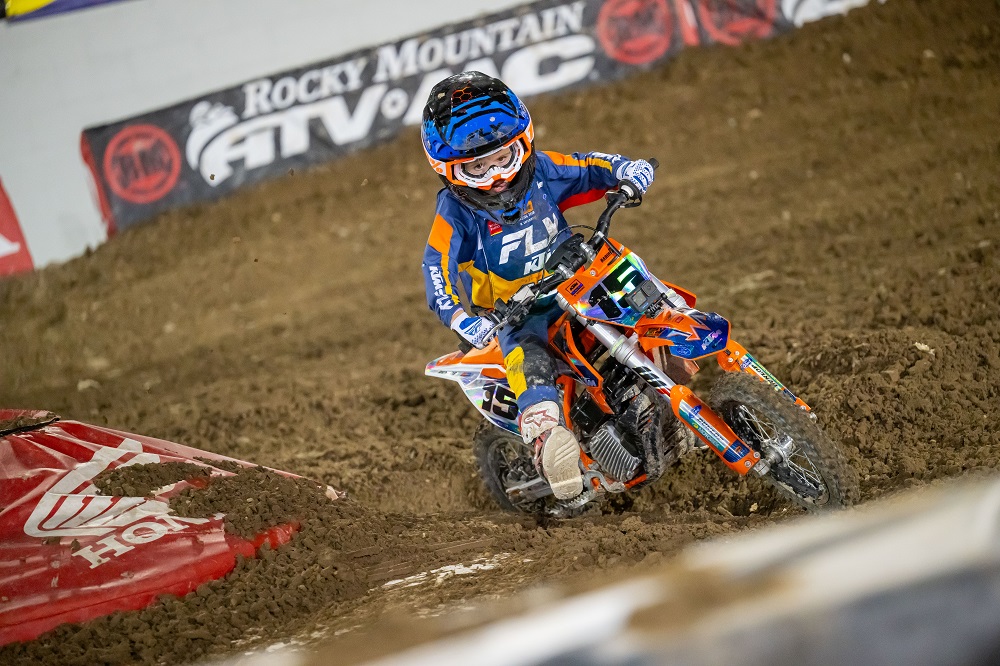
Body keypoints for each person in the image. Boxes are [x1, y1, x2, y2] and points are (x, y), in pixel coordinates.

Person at [420, 71, 654, 501]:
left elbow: (588, 167)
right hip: (518, 313)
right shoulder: (455, 212)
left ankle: (671, 354)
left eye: (503, 157)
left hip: (577, 279)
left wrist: (626, 169)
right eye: (477, 167)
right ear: (449, 170)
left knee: (640, 297)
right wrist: (463, 321)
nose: (496, 175)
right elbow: (436, 269)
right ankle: (549, 441)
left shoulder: (541, 170)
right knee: (530, 362)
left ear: (522, 143)